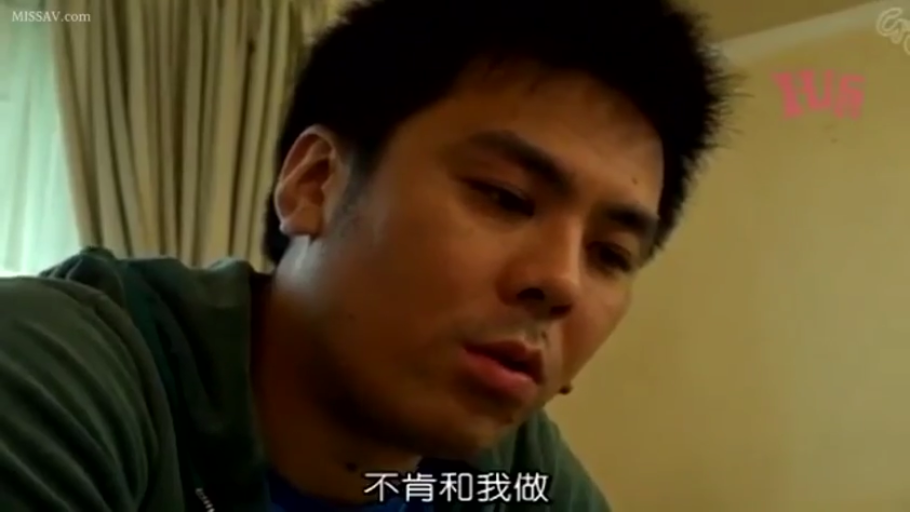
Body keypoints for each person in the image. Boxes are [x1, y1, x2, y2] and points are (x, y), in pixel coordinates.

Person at [0, 0, 730, 510]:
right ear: (316, 182)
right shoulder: (56, 373)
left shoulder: (508, 475)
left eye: (609, 254)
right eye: (505, 197)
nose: (562, 282)